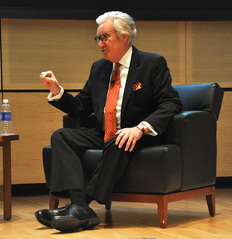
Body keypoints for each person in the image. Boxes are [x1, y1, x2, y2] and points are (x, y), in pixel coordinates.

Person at [36, 11, 182, 232]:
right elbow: (81, 107)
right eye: (98, 39)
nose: (100, 44)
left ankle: (80, 208)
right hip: (104, 132)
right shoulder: (99, 68)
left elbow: (170, 103)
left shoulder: (152, 63)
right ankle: (78, 204)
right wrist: (57, 90)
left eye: (105, 37)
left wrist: (141, 128)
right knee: (62, 135)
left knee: (120, 139)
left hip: (137, 134)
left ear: (124, 37)